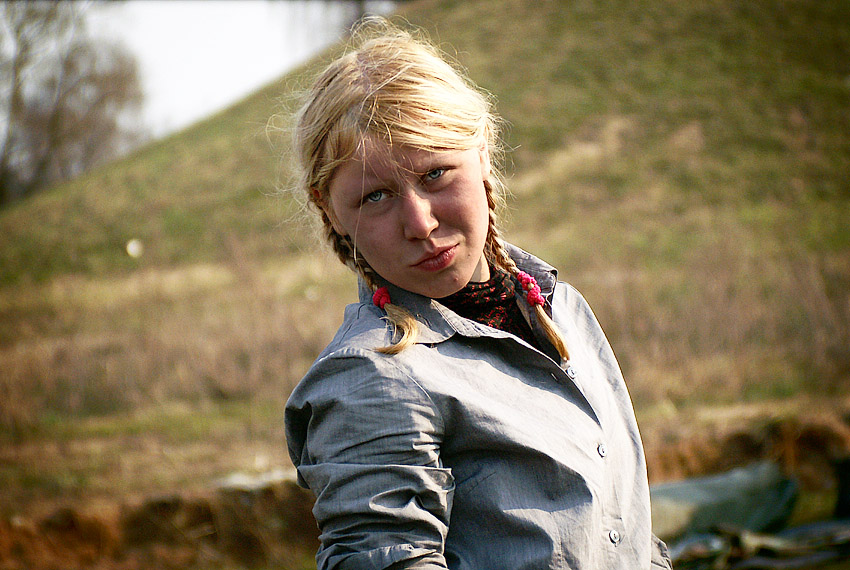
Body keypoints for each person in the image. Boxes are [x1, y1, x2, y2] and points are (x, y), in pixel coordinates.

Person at [283, 18, 672, 570]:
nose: (420, 223)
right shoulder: (371, 376)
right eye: (375, 197)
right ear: (331, 210)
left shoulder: (561, 308)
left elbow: (627, 531)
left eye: (436, 174)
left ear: (482, 152)